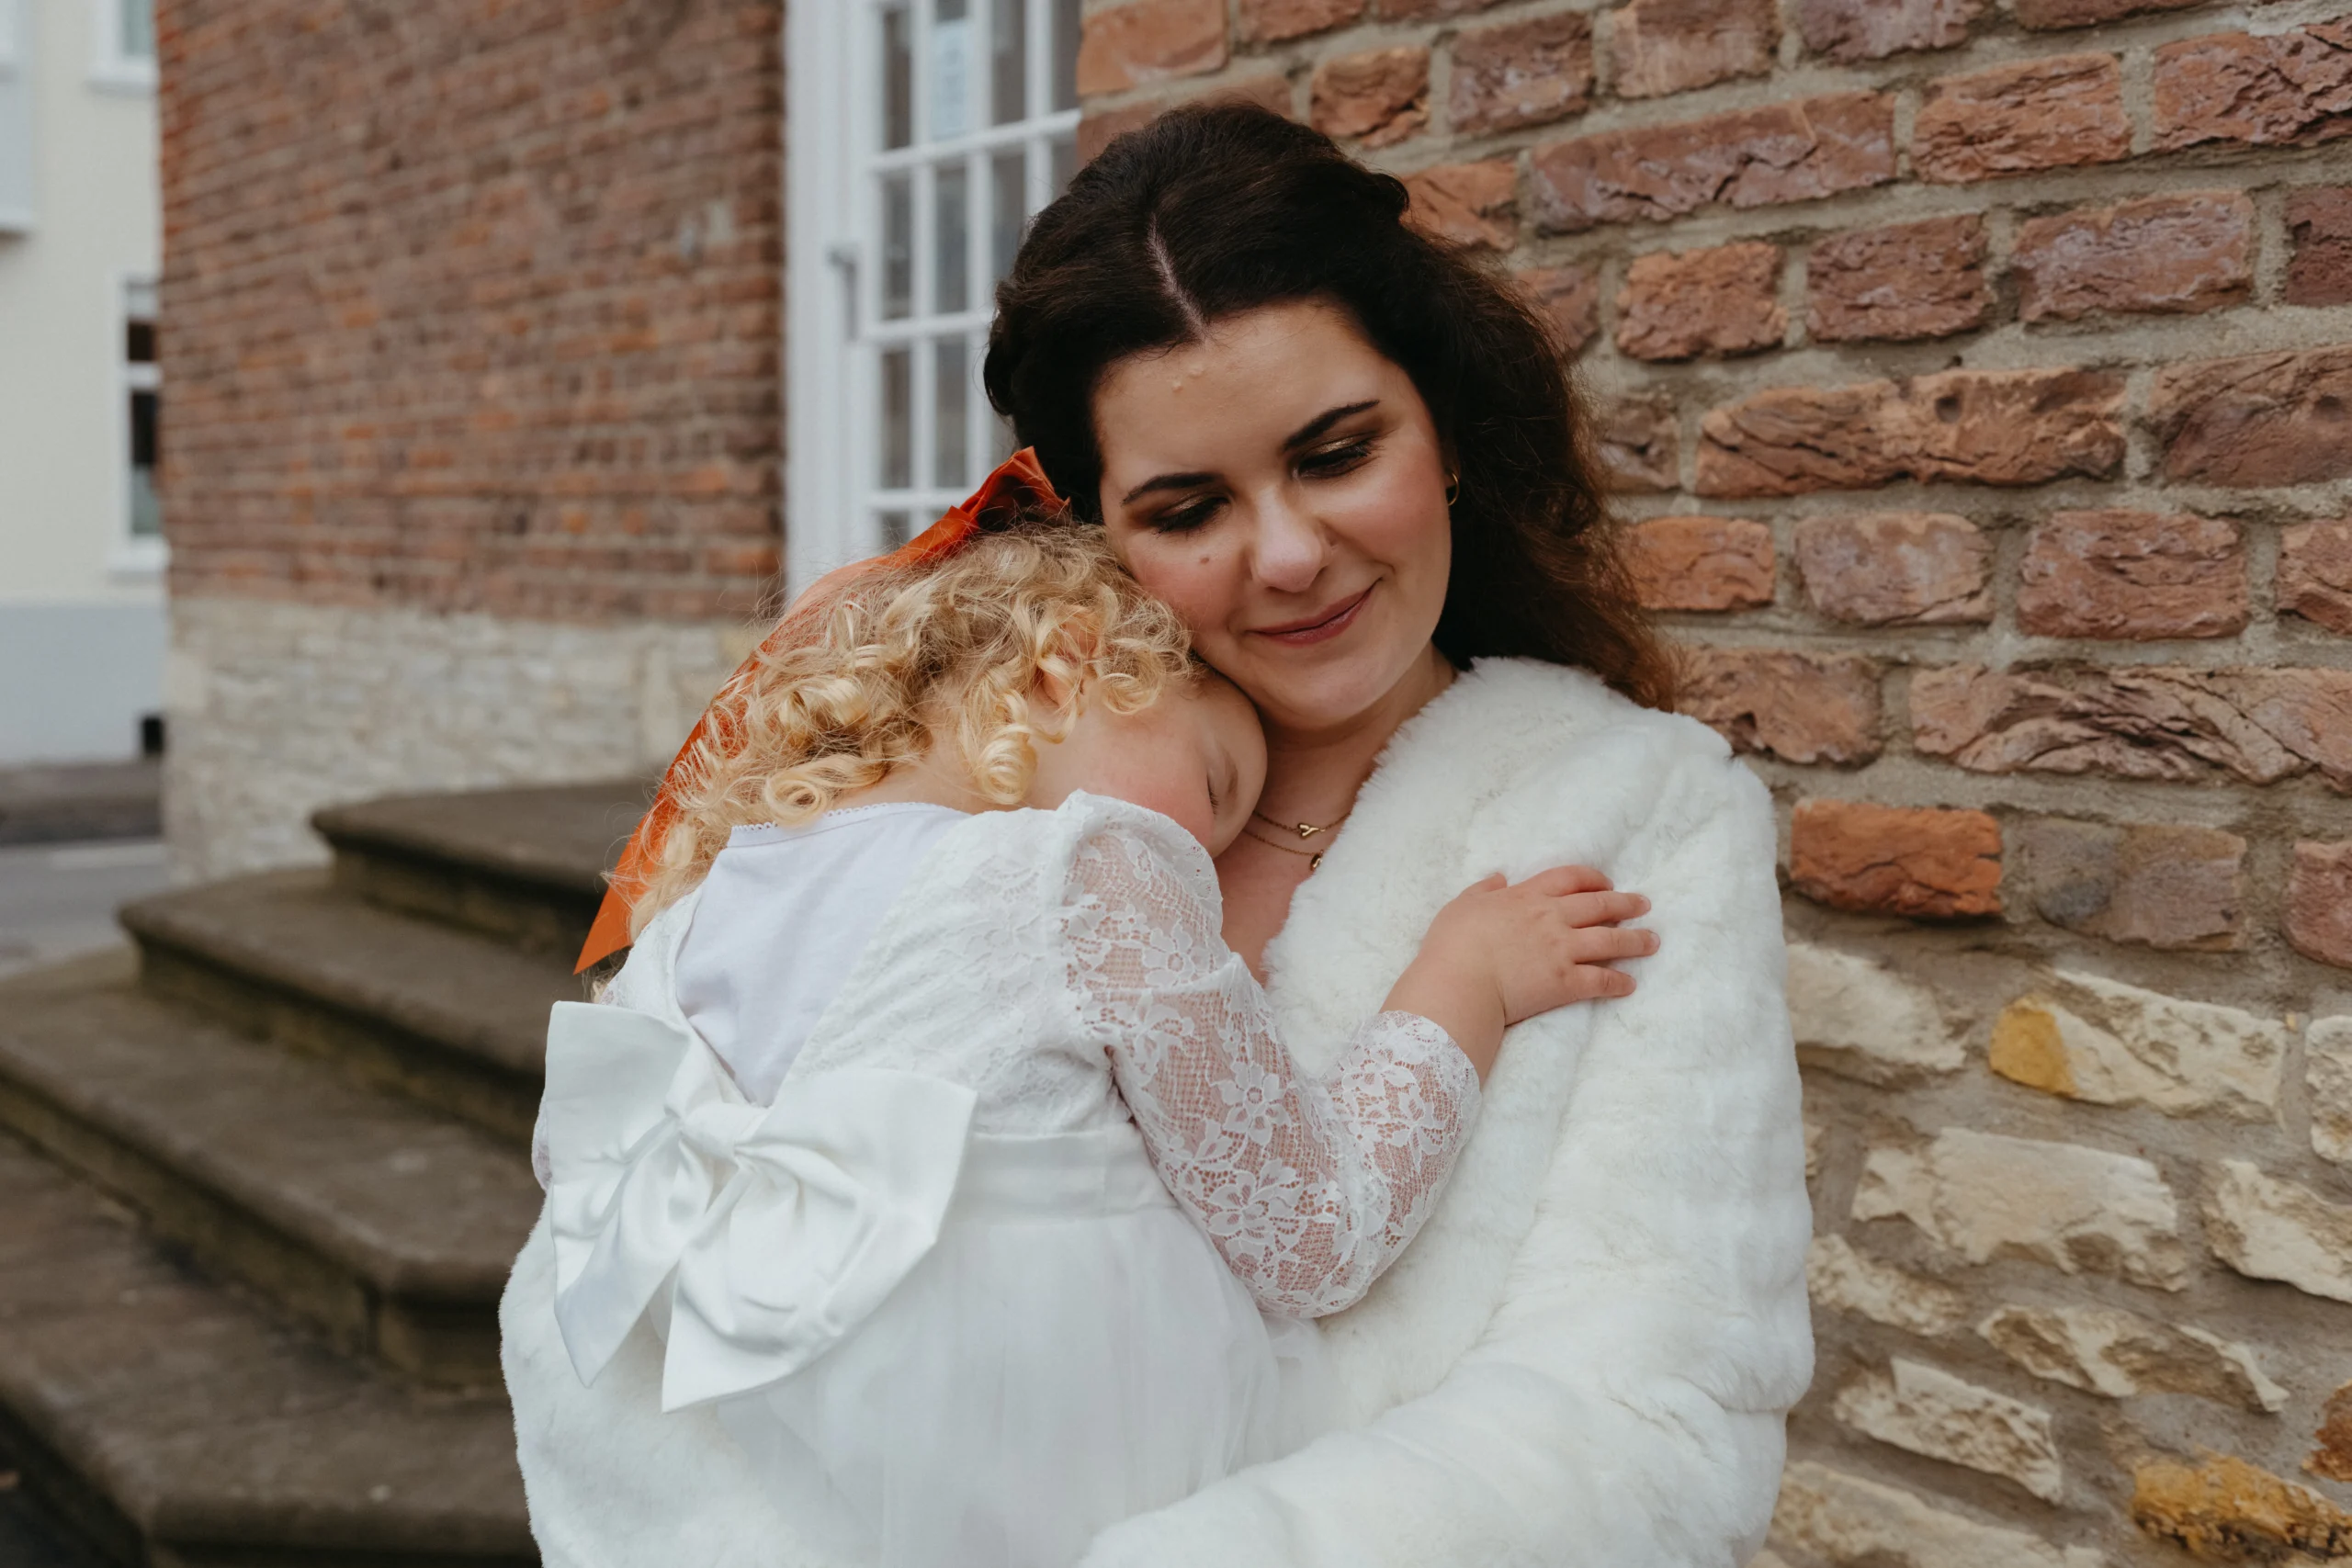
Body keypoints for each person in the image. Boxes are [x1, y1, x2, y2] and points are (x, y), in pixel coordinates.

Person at [983, 105, 1815, 1568]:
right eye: (1190, 507)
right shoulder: (1020, 805)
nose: (1290, 554)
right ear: (1096, 538)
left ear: (1443, 430)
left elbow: (1647, 1400)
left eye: (1335, 451)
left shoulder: (1633, 814)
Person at [503, 524, 1664, 1568]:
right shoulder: (1090, 869)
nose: (1209, 859)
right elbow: (1312, 1233)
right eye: (1214, 787)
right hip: (1060, 1470)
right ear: (1062, 669)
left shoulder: (704, 904)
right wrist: (1461, 978)